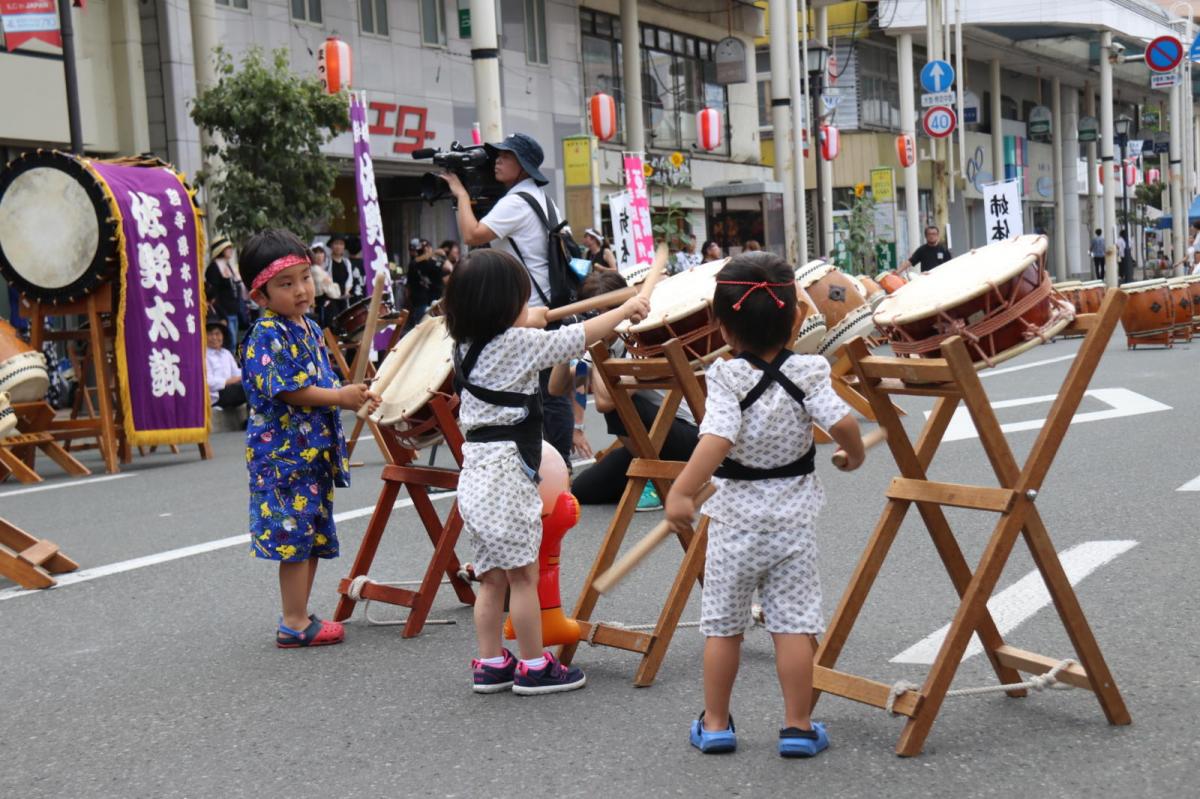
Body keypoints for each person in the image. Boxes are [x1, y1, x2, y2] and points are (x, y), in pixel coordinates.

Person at [664, 251, 864, 757]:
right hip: (792, 522)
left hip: (734, 523)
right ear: (799, 318)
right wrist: (852, 452)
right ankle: (797, 727)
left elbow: (717, 438)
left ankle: (714, 725)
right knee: (793, 625)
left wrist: (684, 490)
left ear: (720, 325)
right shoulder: (811, 370)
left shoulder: (727, 377)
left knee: (724, 627)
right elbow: (842, 423)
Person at [442, 248, 649, 694]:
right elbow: (575, 339)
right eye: (520, 298)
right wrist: (624, 309)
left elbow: (530, 327)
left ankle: (490, 662)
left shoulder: (465, 345)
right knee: (523, 576)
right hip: (506, 477)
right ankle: (535, 666)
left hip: (476, 475)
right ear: (503, 307)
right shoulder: (516, 345)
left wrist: (528, 317)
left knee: (490, 577)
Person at [237, 229, 380, 649]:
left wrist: (350, 392)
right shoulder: (267, 334)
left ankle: (299, 613)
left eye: (305, 277)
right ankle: (294, 622)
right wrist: (340, 397)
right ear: (260, 296)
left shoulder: (308, 327)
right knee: (293, 539)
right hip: (284, 456)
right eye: (286, 284)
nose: (301, 290)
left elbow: (322, 379)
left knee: (310, 535)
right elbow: (287, 389)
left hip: (311, 452)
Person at [438, 132, 575, 466]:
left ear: (524, 166)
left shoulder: (516, 202)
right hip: (550, 303)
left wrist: (460, 194)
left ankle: (549, 465)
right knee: (548, 393)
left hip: (528, 310)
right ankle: (557, 464)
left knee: (540, 393)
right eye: (497, 154)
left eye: (506, 155)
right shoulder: (542, 199)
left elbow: (473, 236)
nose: (497, 159)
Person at [556, 271, 700, 510]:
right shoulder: (605, 343)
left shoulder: (641, 339)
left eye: (599, 313)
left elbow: (606, 402)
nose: (593, 319)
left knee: (619, 404)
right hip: (650, 442)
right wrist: (567, 343)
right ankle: (654, 474)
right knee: (582, 490)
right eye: (589, 315)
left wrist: (595, 344)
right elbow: (563, 384)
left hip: (688, 438)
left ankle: (658, 478)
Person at [205, 237, 245, 350]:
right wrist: (221, 315)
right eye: (228, 248)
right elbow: (213, 294)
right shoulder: (213, 268)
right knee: (228, 342)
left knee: (233, 342)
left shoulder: (228, 266)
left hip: (234, 311)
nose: (231, 250)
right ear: (221, 250)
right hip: (224, 312)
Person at [405, 239, 445, 328]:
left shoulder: (434, 263)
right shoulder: (415, 264)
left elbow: (445, 270)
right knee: (422, 327)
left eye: (427, 248)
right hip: (420, 301)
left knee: (436, 327)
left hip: (435, 300)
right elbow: (409, 286)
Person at [205, 321, 245, 410]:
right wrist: (228, 381)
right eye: (210, 334)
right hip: (215, 396)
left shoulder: (226, 353)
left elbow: (236, 373)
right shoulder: (203, 355)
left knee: (255, 384)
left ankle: (252, 420)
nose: (214, 337)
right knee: (248, 389)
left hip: (231, 390)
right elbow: (208, 383)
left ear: (223, 336)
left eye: (217, 334)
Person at [309, 245, 341, 325]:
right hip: (323, 302)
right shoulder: (315, 270)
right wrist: (334, 286)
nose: (319, 256)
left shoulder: (320, 269)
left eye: (321, 253)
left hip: (325, 302)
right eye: (316, 253)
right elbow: (330, 291)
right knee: (326, 326)